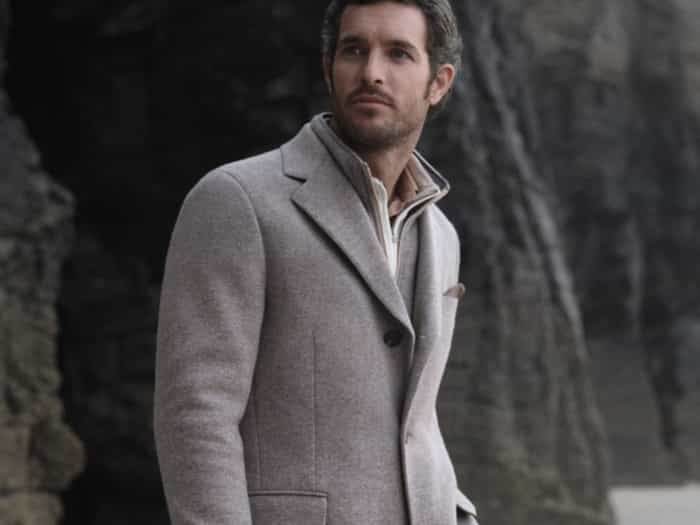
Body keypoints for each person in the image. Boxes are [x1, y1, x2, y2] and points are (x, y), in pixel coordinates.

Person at [154, 1, 478, 524]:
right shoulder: (237, 201)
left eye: (398, 53)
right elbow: (196, 414)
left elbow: (414, 420)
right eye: (354, 50)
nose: (372, 72)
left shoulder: (441, 235)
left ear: (438, 83)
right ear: (329, 67)